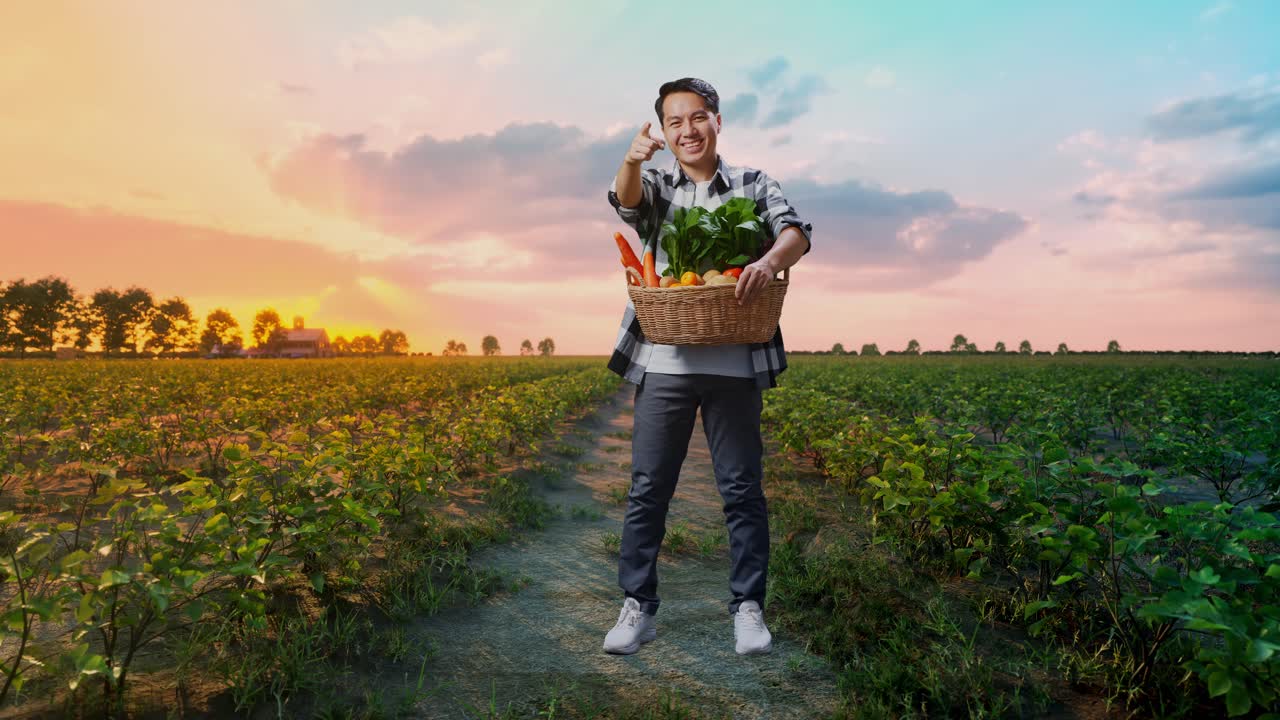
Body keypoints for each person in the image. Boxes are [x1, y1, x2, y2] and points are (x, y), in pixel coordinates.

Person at [601, 77, 812, 656]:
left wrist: (769, 261)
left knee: (742, 489)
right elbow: (625, 203)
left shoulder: (752, 182)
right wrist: (629, 158)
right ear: (664, 133)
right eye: (674, 122)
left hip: (734, 364)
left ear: (717, 120)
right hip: (664, 360)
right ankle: (637, 606)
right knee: (649, 488)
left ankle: (748, 608)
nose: (687, 130)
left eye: (697, 118)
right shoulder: (657, 183)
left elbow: (796, 231)